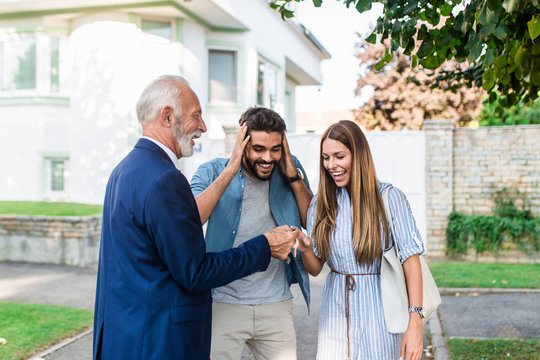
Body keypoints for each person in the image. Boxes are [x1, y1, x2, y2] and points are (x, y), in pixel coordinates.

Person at [93, 75, 299, 360]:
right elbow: (195, 272)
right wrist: (264, 246)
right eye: (196, 116)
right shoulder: (165, 179)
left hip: (124, 336)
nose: (202, 127)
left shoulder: (123, 170)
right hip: (157, 341)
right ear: (167, 116)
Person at [294, 120, 425, 360]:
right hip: (334, 314)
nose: (331, 165)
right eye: (326, 157)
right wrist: (305, 248)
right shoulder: (320, 204)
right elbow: (315, 269)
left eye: (339, 156)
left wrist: (415, 323)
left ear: (358, 155)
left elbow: (411, 262)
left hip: (381, 315)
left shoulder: (390, 198)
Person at [190, 107, 312, 360]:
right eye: (259, 149)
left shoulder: (290, 170)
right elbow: (189, 220)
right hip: (223, 302)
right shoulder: (212, 171)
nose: (268, 157)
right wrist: (231, 168)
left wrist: (292, 176)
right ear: (242, 144)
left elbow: (313, 220)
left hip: (275, 304)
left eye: (275, 149)